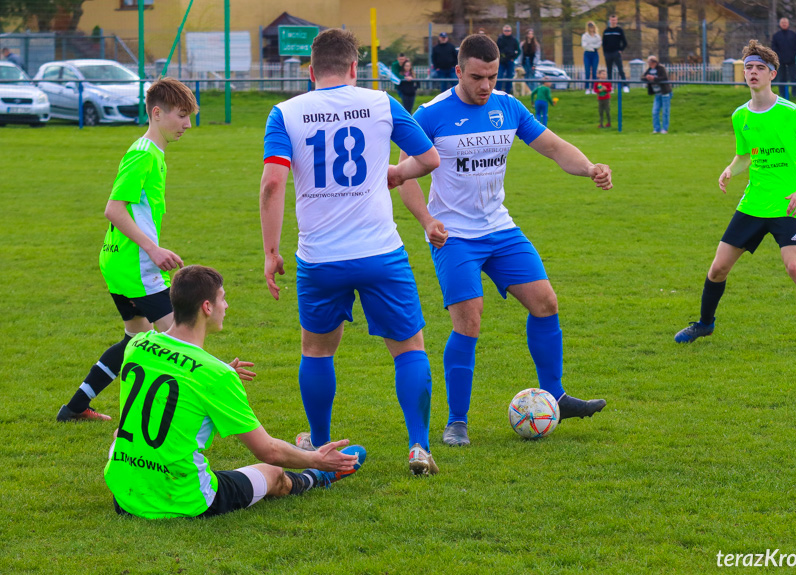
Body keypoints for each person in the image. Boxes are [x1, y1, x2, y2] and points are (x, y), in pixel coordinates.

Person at [398, 34, 611, 447]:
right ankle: (457, 421)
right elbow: (402, 174)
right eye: (477, 77)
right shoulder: (431, 115)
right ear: (458, 71)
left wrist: (589, 168)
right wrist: (426, 220)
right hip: (454, 236)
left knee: (546, 301)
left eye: (493, 77)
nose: (486, 86)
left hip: (500, 229)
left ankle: (557, 395)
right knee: (469, 321)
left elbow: (553, 147)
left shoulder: (508, 107)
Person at [259, 29, 443, 475]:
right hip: (381, 252)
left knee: (317, 351)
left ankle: (320, 447)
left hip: (320, 258)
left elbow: (272, 184)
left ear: (310, 71)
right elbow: (430, 159)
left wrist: (271, 252)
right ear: (355, 67)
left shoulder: (286, 113)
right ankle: (419, 447)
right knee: (409, 349)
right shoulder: (380, 103)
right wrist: (397, 172)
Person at [103, 265, 365, 519]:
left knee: (122, 432)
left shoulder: (138, 344)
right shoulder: (216, 376)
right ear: (207, 307)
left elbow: (169, 373)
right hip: (182, 499)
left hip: (123, 494)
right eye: (223, 299)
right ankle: (316, 477)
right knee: (273, 471)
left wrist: (217, 372)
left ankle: (137, 477)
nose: (226, 306)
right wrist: (315, 459)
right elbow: (268, 450)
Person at [674, 40, 796, 352]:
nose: (753, 72)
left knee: (795, 268)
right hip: (753, 203)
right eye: (748, 67)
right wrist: (731, 169)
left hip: (786, 204)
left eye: (760, 67)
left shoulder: (790, 112)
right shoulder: (740, 116)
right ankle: (705, 324)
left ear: (772, 73)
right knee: (718, 268)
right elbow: (745, 155)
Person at [56, 78, 198, 423]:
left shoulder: (152, 153)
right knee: (182, 345)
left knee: (136, 339)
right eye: (181, 115)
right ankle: (171, 424)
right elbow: (114, 209)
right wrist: (153, 249)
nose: (187, 125)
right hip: (135, 265)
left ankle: (73, 409)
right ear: (157, 113)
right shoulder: (142, 155)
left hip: (120, 262)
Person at [641, 55, 672, 134]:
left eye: (651, 62)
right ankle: (656, 128)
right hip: (657, 94)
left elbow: (664, 78)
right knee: (655, 111)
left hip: (665, 93)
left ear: (655, 62)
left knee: (665, 112)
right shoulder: (649, 70)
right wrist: (647, 78)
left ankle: (665, 129)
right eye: (649, 62)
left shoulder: (661, 68)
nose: (650, 64)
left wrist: (654, 78)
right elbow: (642, 78)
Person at [771, 17, 796, 98]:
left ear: (788, 24)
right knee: (782, 77)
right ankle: (782, 94)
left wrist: (792, 56)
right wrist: (779, 57)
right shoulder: (776, 36)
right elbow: (774, 48)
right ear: (780, 24)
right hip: (780, 60)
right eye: (782, 22)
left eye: (785, 22)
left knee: (793, 77)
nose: (784, 24)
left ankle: (795, 93)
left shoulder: (793, 35)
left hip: (792, 60)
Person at [602, 15, 629, 92]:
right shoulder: (606, 31)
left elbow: (624, 42)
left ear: (616, 21)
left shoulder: (619, 30)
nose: (613, 22)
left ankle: (625, 86)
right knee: (609, 70)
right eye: (612, 20)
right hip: (608, 53)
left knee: (620, 70)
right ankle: (610, 87)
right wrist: (605, 52)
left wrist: (620, 50)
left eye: (615, 20)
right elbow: (604, 43)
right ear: (609, 20)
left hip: (616, 53)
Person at [496, 25, 521, 95]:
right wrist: (499, 58)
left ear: (511, 31)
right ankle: (498, 91)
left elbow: (518, 51)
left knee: (509, 76)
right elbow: (496, 49)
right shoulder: (500, 39)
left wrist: (513, 58)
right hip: (502, 61)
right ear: (503, 31)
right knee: (499, 76)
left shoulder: (514, 40)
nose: (507, 32)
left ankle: (507, 92)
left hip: (510, 60)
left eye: (508, 31)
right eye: (505, 31)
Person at [581, 21, 602, 93]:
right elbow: (584, 46)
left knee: (594, 72)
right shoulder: (585, 36)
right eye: (590, 27)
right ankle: (587, 88)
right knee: (587, 71)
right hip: (587, 54)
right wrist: (592, 47)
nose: (591, 28)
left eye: (592, 27)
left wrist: (590, 45)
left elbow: (598, 45)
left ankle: (594, 88)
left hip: (595, 54)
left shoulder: (597, 36)